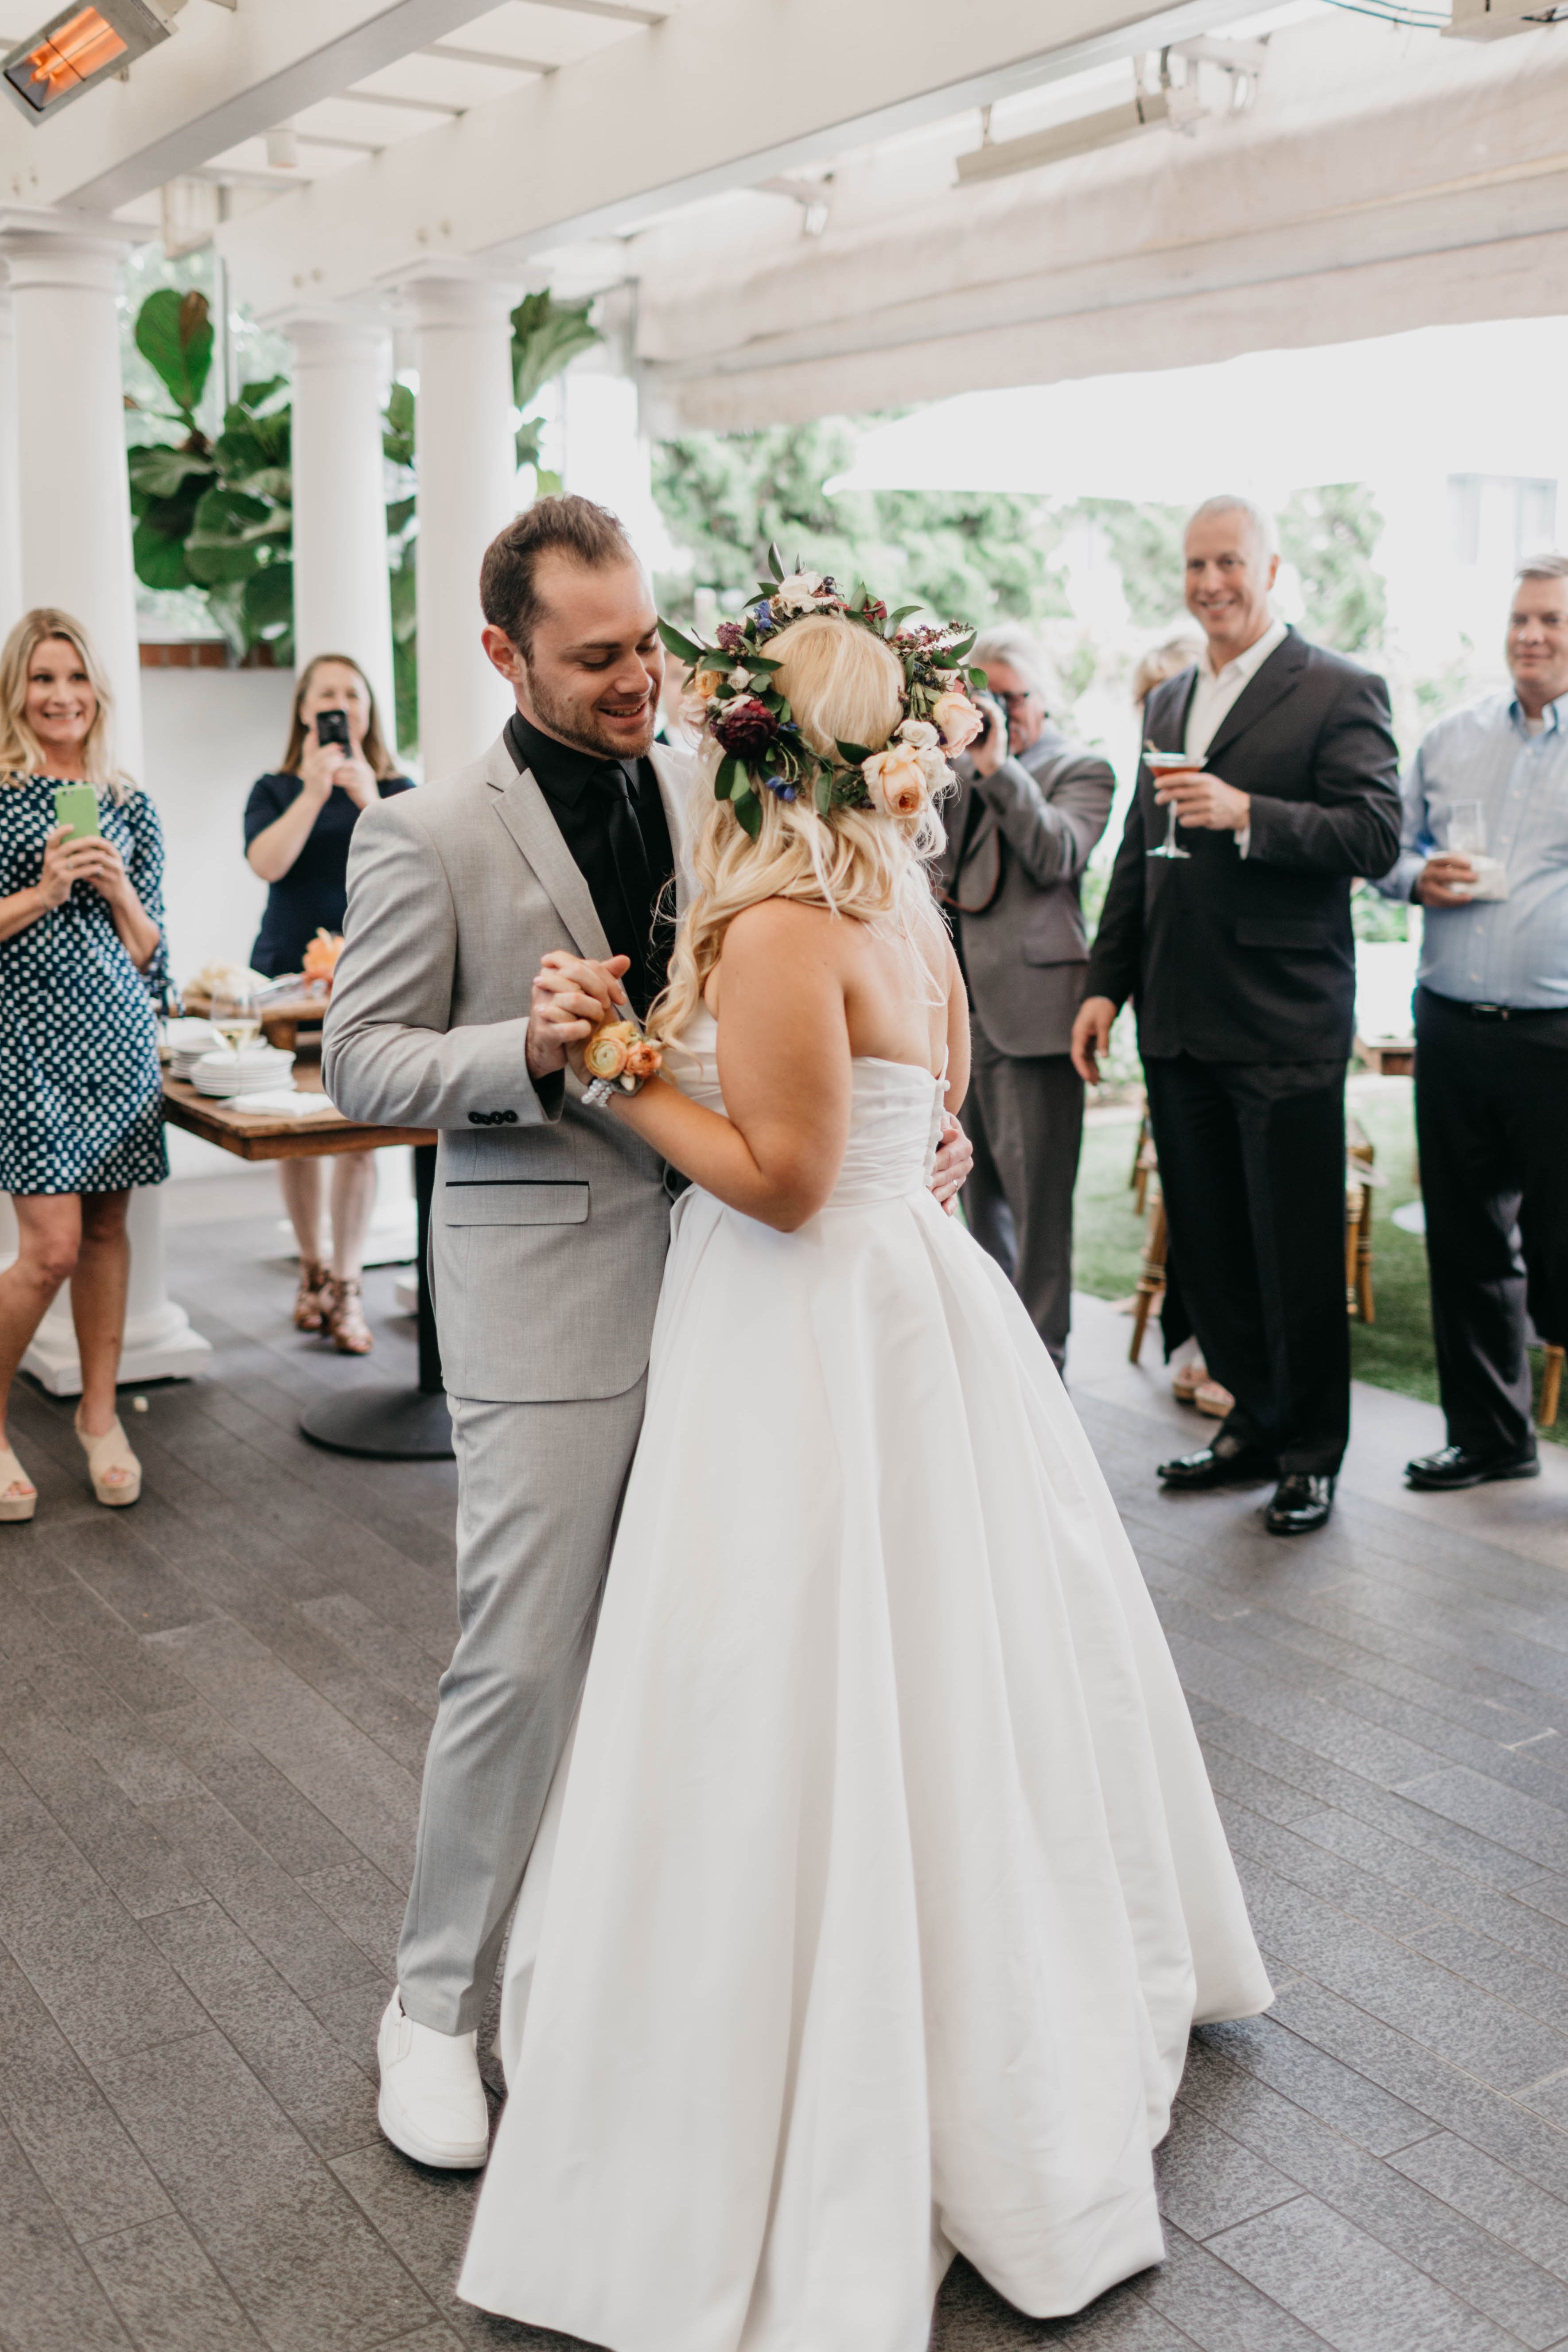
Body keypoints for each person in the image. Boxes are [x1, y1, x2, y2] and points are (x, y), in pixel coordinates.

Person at [456, 583, 1271, 2348]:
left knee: (788, 1675)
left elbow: (781, 1177)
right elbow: (947, 1104)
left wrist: (613, 1063)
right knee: (952, 1667)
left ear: (749, 755)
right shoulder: (898, 901)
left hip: (807, 1320)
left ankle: (806, 2033)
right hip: (926, 1305)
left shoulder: (774, 937)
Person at [321, 498, 976, 2169]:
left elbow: (826, 983)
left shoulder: (711, 778)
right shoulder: (421, 831)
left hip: (745, 1285)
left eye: (647, 644)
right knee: (522, 1657)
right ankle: (431, 2007)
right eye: (597, 657)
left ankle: (614, 1988)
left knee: (704, 1658)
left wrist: (907, 1119)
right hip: (550, 1295)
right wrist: (518, 1052)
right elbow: (364, 1063)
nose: (639, 681)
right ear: (504, 655)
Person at [1072, 497, 1402, 1537]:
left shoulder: (1342, 688)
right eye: (1195, 564)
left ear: (1270, 567)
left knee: (1294, 1247)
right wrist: (1103, 985)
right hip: (1178, 1018)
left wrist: (1252, 813)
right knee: (1212, 1245)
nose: (1210, 582)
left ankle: (1311, 1453)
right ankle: (1249, 1426)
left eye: (1229, 563)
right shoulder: (1168, 701)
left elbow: (1378, 834)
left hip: (1284, 1019)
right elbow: (1137, 852)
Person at [1374, 553, 1568, 1490]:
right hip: (1451, 1023)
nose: (1532, 634)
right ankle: (1491, 1438)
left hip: (1558, 1036)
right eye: (1523, 618)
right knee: (1464, 1238)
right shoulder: (1449, 738)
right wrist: (1418, 877)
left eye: (1553, 620)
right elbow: (1389, 852)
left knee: (1565, 1250)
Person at [0, 608, 168, 1522]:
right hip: (23, 1044)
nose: (60, 696)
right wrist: (44, 892)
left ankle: (100, 1418)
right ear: (18, 693)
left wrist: (117, 890)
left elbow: (152, 953)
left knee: (106, 1234)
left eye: (73, 677)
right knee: (50, 1250)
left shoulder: (129, 803)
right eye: (42, 679)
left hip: (116, 1041)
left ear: (94, 691)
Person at [936, 624, 1113, 1369]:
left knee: (1040, 1214)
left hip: (1037, 1015)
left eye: (1013, 695)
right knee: (971, 1204)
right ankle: (995, 1364)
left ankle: (1049, 1370)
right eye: (985, 696)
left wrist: (1000, 766)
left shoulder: (1084, 767)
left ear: (1043, 696)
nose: (999, 710)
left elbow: (1056, 853)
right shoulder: (949, 768)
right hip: (954, 1016)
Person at [245, 654, 413, 1353]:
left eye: (352, 693)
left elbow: (419, 861)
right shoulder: (277, 786)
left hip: (370, 978)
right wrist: (314, 794)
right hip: (290, 978)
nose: (340, 705)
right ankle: (311, 1268)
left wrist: (369, 793)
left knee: (361, 1132)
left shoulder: (398, 787)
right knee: (298, 1136)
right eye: (326, 695)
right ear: (305, 711)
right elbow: (267, 864)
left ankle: (348, 1285)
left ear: (369, 710)